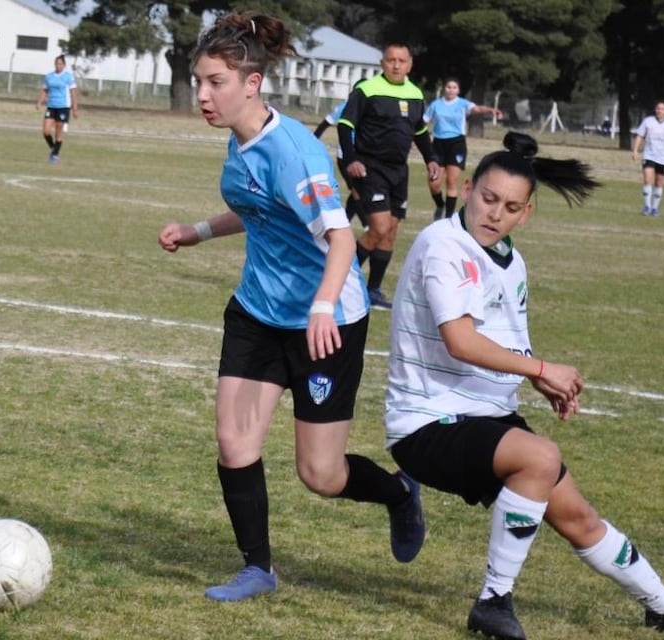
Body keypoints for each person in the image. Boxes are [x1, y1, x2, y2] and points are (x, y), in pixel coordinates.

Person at [384, 131, 664, 639]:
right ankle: (493, 601)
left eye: (510, 207)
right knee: (539, 457)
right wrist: (542, 370)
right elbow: (461, 341)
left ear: (526, 214)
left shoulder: (511, 261)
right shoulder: (443, 245)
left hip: (485, 418)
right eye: (488, 198)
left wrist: (535, 377)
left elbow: (505, 342)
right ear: (468, 189)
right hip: (427, 422)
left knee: (579, 518)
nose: (495, 214)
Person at [158, 11, 424, 604]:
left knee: (321, 475)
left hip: (324, 323)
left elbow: (342, 241)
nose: (203, 95)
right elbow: (258, 208)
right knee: (235, 444)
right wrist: (197, 231)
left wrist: (323, 306)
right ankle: (257, 568)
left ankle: (399, 493)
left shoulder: (295, 153)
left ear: (251, 84)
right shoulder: (240, 138)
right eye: (199, 81)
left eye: (215, 83)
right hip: (257, 312)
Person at [337, 44, 441, 310]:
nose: (396, 65)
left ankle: (372, 291)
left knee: (390, 232)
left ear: (410, 64)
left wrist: (431, 158)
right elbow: (345, 125)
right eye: (391, 60)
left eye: (401, 61)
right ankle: (340, 282)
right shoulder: (367, 90)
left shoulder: (415, 94)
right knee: (379, 228)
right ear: (382, 63)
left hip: (399, 171)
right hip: (370, 168)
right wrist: (351, 159)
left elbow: (419, 131)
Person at [424, 77, 501, 220]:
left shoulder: (462, 103)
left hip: (456, 144)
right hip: (438, 144)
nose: (451, 90)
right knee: (434, 182)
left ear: (458, 90)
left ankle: (448, 217)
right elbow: (424, 121)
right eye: (448, 87)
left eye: (454, 87)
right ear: (444, 89)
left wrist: (490, 110)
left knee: (451, 181)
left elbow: (477, 109)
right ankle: (440, 204)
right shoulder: (436, 104)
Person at [313, 94, 368, 229]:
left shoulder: (370, 105)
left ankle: (345, 222)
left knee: (360, 190)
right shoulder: (345, 106)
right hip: (345, 157)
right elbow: (325, 123)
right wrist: (311, 141)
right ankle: (366, 225)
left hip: (364, 157)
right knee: (357, 190)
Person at [632, 101, 664, 217]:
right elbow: (639, 136)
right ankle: (647, 206)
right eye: (658, 108)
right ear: (655, 109)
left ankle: (655, 208)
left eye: (662, 109)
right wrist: (635, 151)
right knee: (647, 179)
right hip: (649, 155)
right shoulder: (648, 121)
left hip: (663, 157)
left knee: (658, 183)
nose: (659, 111)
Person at [36, 54, 80, 164]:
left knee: (58, 132)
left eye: (60, 64)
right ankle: (54, 149)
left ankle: (54, 155)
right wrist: (40, 102)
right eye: (56, 63)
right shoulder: (49, 76)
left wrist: (75, 108)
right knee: (46, 131)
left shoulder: (68, 76)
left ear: (64, 65)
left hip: (63, 107)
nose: (58, 65)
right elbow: (45, 90)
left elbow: (73, 92)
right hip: (51, 106)